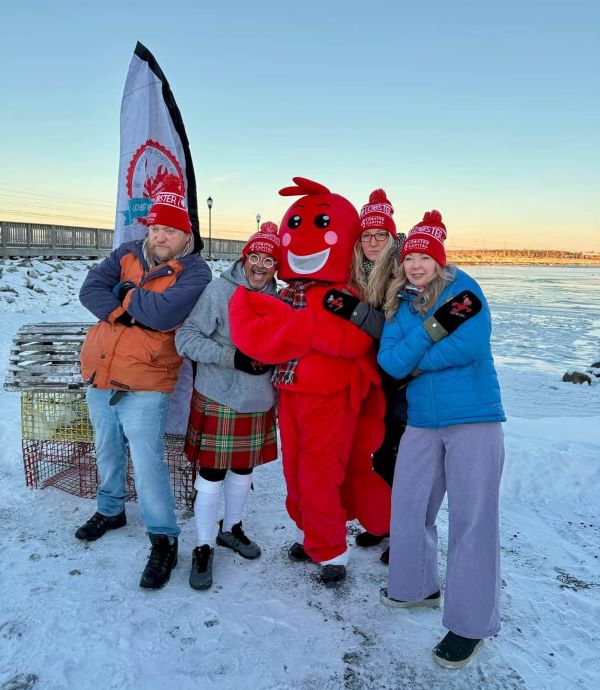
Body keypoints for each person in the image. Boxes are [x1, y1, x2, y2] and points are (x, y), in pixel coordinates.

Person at [229, 177, 390, 587]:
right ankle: (312, 534)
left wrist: (301, 329)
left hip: (330, 395)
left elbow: (354, 340)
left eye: (318, 224)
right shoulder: (289, 292)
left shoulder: (340, 294)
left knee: (321, 473)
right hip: (291, 393)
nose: (302, 238)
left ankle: (332, 548)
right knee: (296, 471)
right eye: (295, 227)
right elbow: (264, 340)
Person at [377, 210, 506, 669]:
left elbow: (470, 344)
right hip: (424, 419)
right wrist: (432, 333)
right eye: (409, 257)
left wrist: (419, 358)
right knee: (409, 505)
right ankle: (416, 587)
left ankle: (470, 626)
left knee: (473, 520)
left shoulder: (463, 290)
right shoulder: (400, 302)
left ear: (439, 259)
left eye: (423, 257)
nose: (415, 265)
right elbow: (391, 363)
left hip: (473, 416)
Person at [75, 191, 212, 590]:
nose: (159, 236)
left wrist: (124, 293)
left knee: (148, 462)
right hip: (100, 370)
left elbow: (164, 314)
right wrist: (128, 310)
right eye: (154, 228)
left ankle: (163, 537)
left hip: (146, 380)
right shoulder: (125, 253)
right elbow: (90, 292)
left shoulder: (195, 272)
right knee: (107, 448)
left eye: (169, 229)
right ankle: (111, 509)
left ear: (186, 234)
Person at [175, 224, 280, 591]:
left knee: (243, 469)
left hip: (257, 401)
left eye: (269, 259)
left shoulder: (279, 300)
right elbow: (185, 338)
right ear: (244, 258)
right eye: (255, 257)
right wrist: (230, 357)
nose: (260, 265)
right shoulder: (219, 291)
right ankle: (203, 545)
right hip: (219, 396)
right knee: (211, 476)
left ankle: (231, 529)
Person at [322, 189, 407, 563]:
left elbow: (393, 330)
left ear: (391, 238)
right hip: (368, 377)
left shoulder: (405, 274)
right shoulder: (355, 272)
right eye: (367, 236)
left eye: (380, 235)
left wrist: (353, 311)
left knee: (396, 455)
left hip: (400, 381)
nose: (373, 242)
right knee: (373, 452)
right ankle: (383, 523)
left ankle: (403, 534)